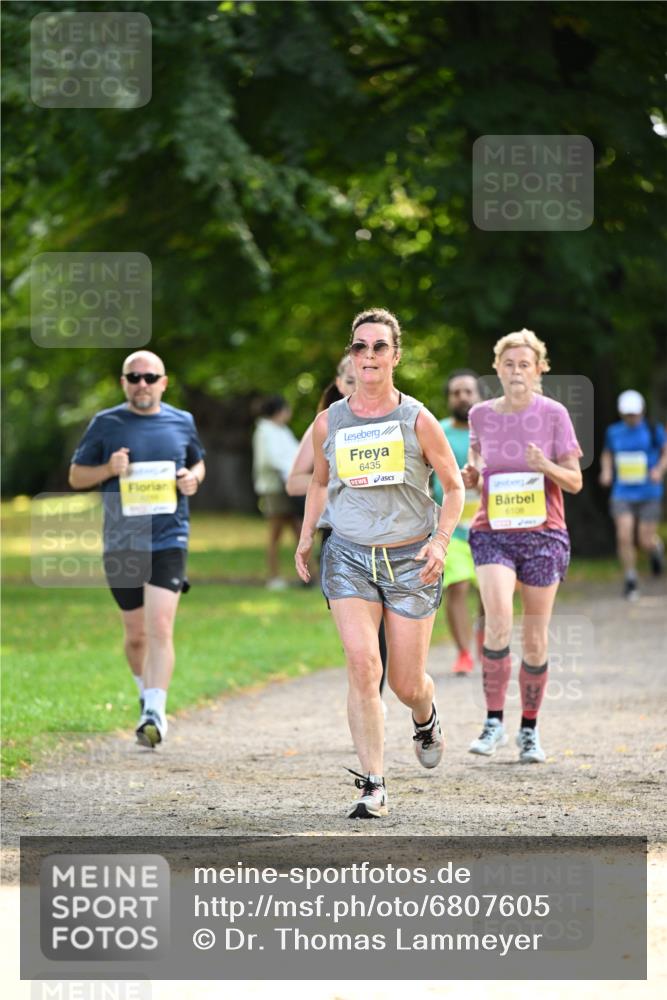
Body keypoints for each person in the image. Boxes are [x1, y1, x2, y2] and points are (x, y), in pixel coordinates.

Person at [295, 308, 464, 819]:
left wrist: (439, 543)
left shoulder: (417, 418)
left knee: (405, 681)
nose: (369, 355)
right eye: (360, 346)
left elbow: (453, 488)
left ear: (396, 355)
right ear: (352, 353)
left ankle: (425, 713)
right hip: (349, 555)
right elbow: (321, 482)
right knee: (364, 664)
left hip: (412, 557)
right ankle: (374, 784)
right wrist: (307, 535)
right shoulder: (331, 421)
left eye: (379, 347)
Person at [69, 350, 206, 749]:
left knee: (160, 625)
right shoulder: (106, 424)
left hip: (169, 536)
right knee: (135, 636)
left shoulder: (183, 421)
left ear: (164, 381)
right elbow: (76, 476)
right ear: (123, 382)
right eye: (134, 377)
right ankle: (146, 694)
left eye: (150, 377)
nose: (142, 384)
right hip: (122, 542)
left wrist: (191, 479)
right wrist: (108, 469)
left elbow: (198, 463)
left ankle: (155, 712)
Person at [463, 328, 583, 764]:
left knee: (534, 638)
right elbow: (476, 460)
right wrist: (471, 474)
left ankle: (528, 730)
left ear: (539, 370)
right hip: (492, 532)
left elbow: (574, 481)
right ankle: (493, 721)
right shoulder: (480, 414)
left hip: (543, 535)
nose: (516, 371)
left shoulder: (553, 414)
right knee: (497, 619)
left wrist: (545, 464)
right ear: (497, 368)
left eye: (524, 364)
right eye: (508, 364)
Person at [287, 357, 389, 703]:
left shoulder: (396, 419)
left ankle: (383, 696)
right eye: (349, 379)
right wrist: (338, 480)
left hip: (392, 535)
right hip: (341, 537)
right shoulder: (325, 424)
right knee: (361, 638)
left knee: (388, 633)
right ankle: (370, 702)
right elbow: (295, 482)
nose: (356, 385)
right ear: (339, 382)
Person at [431, 369, 485, 675]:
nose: (462, 397)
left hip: (489, 523)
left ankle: (482, 640)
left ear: (478, 396)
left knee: (491, 593)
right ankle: (464, 652)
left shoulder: (493, 430)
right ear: (449, 398)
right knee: (458, 586)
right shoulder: (437, 431)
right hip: (451, 525)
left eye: (468, 391)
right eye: (456, 392)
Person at [599, 389, 666, 600]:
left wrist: (659, 470)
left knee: (644, 539)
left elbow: (665, 452)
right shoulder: (614, 432)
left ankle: (655, 549)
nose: (631, 418)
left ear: (642, 412)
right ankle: (630, 579)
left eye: (634, 414)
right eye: (627, 414)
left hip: (649, 491)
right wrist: (607, 470)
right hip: (623, 491)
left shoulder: (654, 429)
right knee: (624, 535)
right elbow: (607, 453)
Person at [252, 395, 301, 590]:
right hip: (274, 488)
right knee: (276, 532)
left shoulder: (281, 431)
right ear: (280, 411)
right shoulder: (265, 431)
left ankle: (311, 574)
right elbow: (270, 459)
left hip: (289, 486)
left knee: (299, 529)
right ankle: (273, 576)